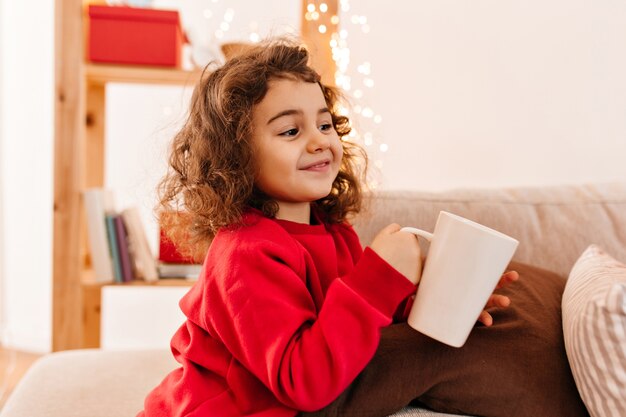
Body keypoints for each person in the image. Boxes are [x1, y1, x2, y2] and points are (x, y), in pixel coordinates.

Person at [138, 37, 518, 417]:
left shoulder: (334, 233)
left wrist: (442, 301)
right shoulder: (243, 255)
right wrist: (377, 279)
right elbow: (303, 381)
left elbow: (350, 324)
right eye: (291, 131)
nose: (319, 141)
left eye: (324, 124)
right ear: (236, 157)